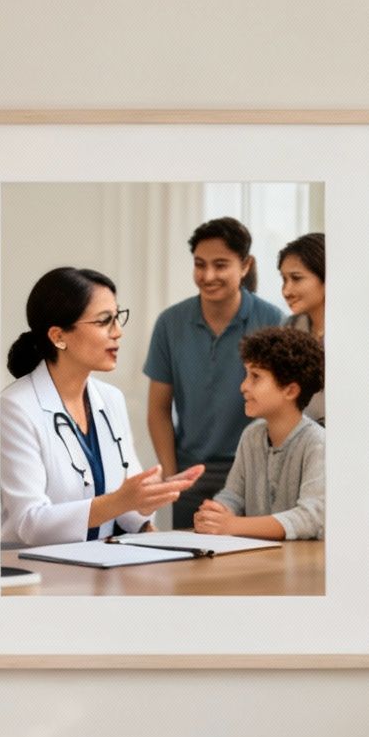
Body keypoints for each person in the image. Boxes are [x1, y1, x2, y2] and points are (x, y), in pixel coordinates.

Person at [1, 268, 203, 546]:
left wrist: (147, 502)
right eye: (104, 321)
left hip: (102, 565)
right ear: (58, 336)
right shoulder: (15, 408)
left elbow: (126, 509)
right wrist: (120, 500)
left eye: (117, 317)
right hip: (37, 573)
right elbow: (29, 522)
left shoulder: (110, 399)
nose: (118, 332)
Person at [143, 216, 289, 528]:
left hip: (255, 473)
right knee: (189, 569)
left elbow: (285, 406)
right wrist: (172, 475)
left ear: (245, 265)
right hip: (190, 475)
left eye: (221, 265)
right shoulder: (170, 323)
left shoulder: (273, 320)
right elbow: (157, 408)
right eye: (200, 264)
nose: (208, 275)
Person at [192, 326, 326, 540]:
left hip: (302, 565)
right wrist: (216, 512)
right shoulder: (251, 436)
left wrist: (232, 525)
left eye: (255, 377)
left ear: (290, 390)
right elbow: (233, 495)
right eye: (246, 375)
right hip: (260, 559)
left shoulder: (317, 443)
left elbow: (310, 518)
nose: (243, 386)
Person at [277, 232, 327, 427]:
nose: (286, 291)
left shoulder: (351, 332)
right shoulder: (289, 327)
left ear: (325, 278)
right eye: (284, 280)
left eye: (296, 279)